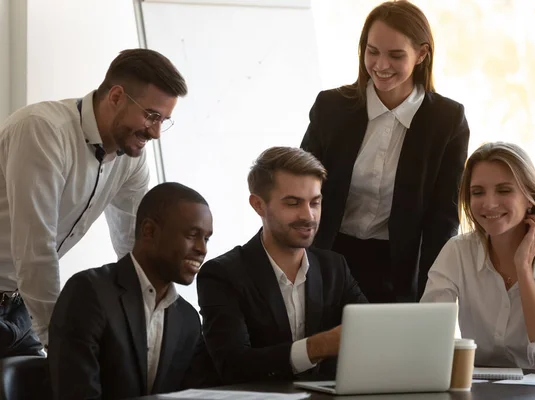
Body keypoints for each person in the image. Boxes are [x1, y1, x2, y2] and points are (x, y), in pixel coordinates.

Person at [0, 48, 187, 356]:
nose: (155, 132)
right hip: (28, 299)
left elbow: (135, 248)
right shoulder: (42, 130)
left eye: (164, 120)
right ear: (115, 96)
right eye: (151, 116)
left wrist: (159, 328)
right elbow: (36, 248)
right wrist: (59, 340)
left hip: (20, 305)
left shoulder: (131, 159)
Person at [301, 0, 470, 303]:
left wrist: (433, 294)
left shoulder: (447, 120)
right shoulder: (331, 107)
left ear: (422, 54)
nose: (381, 65)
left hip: (397, 268)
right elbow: (300, 185)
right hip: (326, 257)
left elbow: (443, 219)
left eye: (395, 55)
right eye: (372, 51)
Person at [197, 147, 367, 384]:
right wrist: (317, 346)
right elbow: (234, 366)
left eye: (315, 202)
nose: (308, 215)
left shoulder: (334, 267)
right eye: (293, 203)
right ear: (258, 205)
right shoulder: (222, 275)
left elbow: (370, 335)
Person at [421, 142, 535, 373]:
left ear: (531, 197)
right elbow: (426, 336)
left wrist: (523, 269)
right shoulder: (458, 252)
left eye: (504, 190)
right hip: (485, 391)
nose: (489, 203)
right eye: (478, 192)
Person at [49, 182, 220, 399]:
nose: (202, 249)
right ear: (149, 231)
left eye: (206, 238)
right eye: (192, 235)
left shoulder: (188, 319)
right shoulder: (88, 292)